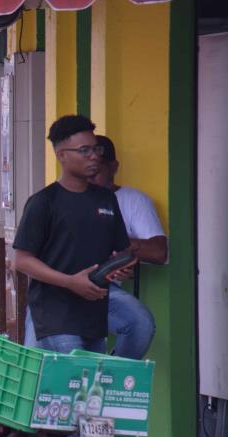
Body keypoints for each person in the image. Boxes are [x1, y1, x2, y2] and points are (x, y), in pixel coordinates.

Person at [14, 115, 131, 437]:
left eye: (96, 149)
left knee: (81, 407)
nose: (94, 156)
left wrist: (118, 269)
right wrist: (70, 283)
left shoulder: (106, 200)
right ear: (62, 155)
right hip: (55, 317)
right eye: (85, 150)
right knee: (82, 403)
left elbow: (120, 251)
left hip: (93, 317)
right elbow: (21, 260)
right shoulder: (43, 203)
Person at [88, 135, 168, 359]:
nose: (91, 176)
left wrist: (119, 249)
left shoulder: (131, 200)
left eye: (97, 170)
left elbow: (159, 252)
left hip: (104, 289)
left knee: (141, 325)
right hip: (59, 289)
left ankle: (111, 385)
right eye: (87, 170)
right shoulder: (58, 199)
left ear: (113, 167)